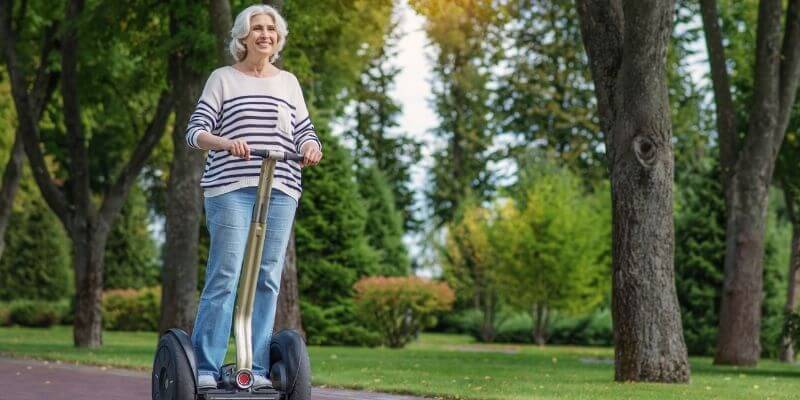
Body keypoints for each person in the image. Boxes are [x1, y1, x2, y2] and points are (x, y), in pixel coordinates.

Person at [185, 4, 323, 390]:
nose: (265, 34)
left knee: (267, 280)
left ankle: (257, 368)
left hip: (280, 188)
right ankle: (207, 367)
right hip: (230, 187)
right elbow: (195, 132)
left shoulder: (288, 82)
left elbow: (305, 132)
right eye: (257, 28)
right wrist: (226, 143)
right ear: (242, 37)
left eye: (271, 29)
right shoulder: (223, 78)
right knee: (226, 275)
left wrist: (312, 147)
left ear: (278, 38)